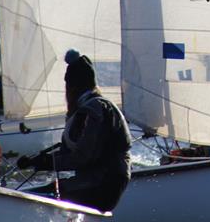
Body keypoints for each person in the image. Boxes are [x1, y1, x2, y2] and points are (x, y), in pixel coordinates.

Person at [17, 49, 132, 211]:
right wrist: (37, 160)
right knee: (46, 190)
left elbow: (83, 157)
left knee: (39, 195)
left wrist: (49, 163)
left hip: (104, 183)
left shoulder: (94, 110)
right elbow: (69, 152)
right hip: (97, 181)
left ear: (72, 86)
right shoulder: (85, 109)